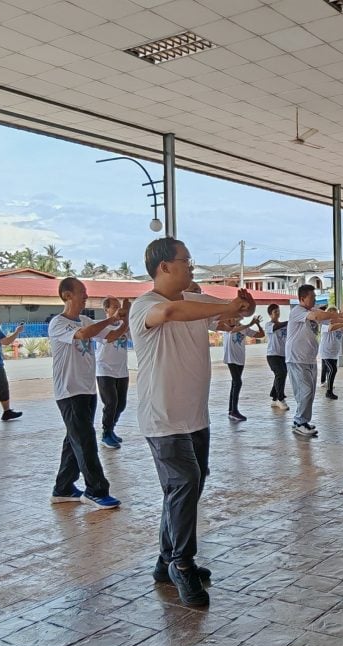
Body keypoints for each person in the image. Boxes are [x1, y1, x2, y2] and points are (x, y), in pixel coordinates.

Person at [130, 237, 255, 607]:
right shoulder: (146, 305)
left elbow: (227, 315)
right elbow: (170, 315)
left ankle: (165, 559)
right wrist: (226, 306)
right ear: (164, 266)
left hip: (194, 417)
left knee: (186, 488)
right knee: (185, 482)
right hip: (163, 418)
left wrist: (241, 308)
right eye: (186, 261)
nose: (191, 267)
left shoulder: (194, 302)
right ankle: (182, 564)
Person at [48, 278, 124, 510]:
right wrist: (111, 318)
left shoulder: (85, 319)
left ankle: (63, 488)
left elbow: (110, 336)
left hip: (87, 389)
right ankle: (96, 490)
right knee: (85, 440)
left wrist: (126, 321)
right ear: (67, 295)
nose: (85, 296)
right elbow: (83, 335)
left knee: (76, 439)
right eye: (82, 292)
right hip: (69, 391)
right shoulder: (58, 323)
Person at [285, 285, 343, 437]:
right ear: (302, 298)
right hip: (296, 358)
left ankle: (302, 421)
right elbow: (320, 317)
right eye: (312, 297)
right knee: (305, 391)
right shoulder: (297, 311)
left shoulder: (312, 312)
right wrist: (336, 315)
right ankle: (299, 421)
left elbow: (332, 320)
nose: (314, 299)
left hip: (310, 359)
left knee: (310, 392)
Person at [95, 297, 131, 449]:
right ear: (106, 310)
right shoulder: (101, 327)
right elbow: (113, 337)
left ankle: (111, 429)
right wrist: (126, 319)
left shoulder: (124, 325)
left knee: (121, 404)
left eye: (119, 306)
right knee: (111, 403)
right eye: (114, 307)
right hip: (105, 370)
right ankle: (105, 434)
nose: (118, 309)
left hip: (121, 370)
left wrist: (127, 318)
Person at [219, 315, 265, 422]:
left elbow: (261, 335)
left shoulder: (244, 328)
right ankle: (234, 411)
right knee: (237, 382)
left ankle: (231, 410)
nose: (235, 318)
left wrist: (257, 324)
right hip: (231, 359)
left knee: (235, 383)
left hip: (240, 359)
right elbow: (232, 330)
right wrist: (250, 323)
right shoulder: (226, 327)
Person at [318, 307, 343, 400]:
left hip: (334, 354)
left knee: (332, 370)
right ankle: (329, 391)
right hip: (326, 353)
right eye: (333, 315)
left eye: (336, 314)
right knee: (333, 369)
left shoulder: (339, 326)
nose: (335, 317)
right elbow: (331, 328)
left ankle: (329, 389)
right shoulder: (325, 325)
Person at [264, 303, 289, 410]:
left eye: (278, 311)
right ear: (270, 314)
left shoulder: (284, 325)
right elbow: (276, 327)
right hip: (272, 355)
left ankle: (274, 398)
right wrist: (290, 322)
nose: (277, 313)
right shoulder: (268, 325)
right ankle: (280, 398)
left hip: (283, 355)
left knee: (281, 374)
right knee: (280, 373)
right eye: (275, 312)